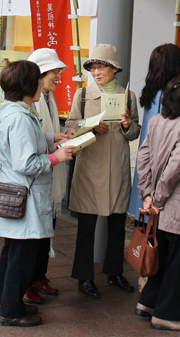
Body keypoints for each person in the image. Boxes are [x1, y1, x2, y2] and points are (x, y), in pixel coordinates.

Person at [0, 60, 75, 327]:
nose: (41, 85)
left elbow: (23, 145)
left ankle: (8, 302)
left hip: (16, 194)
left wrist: (50, 138)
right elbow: (25, 163)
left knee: (13, 254)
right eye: (37, 81)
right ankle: (11, 311)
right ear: (27, 86)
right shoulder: (19, 118)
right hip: (23, 196)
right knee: (20, 258)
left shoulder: (13, 112)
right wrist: (56, 157)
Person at [66, 44, 140, 299]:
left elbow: (135, 132)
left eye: (102, 66)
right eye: (93, 67)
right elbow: (71, 126)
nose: (96, 72)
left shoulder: (128, 96)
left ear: (114, 69)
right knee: (87, 225)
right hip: (90, 166)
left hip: (117, 167)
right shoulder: (83, 95)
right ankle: (84, 276)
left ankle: (114, 272)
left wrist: (129, 124)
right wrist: (90, 125)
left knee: (117, 225)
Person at [135, 73, 180, 331]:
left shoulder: (157, 120)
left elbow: (142, 157)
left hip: (157, 206)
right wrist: (158, 198)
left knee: (160, 258)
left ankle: (148, 302)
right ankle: (166, 315)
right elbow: (174, 170)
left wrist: (146, 194)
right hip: (178, 208)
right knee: (177, 265)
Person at [25, 47, 71, 302]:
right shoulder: (31, 101)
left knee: (46, 229)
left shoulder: (48, 97)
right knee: (33, 235)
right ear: (40, 73)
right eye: (55, 71)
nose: (58, 76)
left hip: (50, 171)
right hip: (36, 177)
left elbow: (47, 132)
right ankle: (28, 282)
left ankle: (39, 276)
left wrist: (59, 137)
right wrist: (54, 147)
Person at [129, 43, 180, 220]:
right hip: (159, 163)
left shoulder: (151, 92)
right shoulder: (169, 96)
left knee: (145, 219)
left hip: (146, 160)